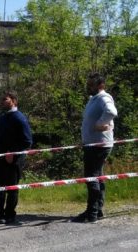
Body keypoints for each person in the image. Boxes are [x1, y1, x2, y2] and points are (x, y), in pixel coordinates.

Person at [72, 73, 117, 223]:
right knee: (98, 176)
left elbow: (111, 112)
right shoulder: (93, 99)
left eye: (91, 84)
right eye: (88, 84)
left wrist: (100, 123)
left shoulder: (104, 97)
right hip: (92, 143)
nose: (88, 87)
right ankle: (97, 210)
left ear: (100, 85)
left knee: (91, 177)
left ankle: (91, 213)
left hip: (99, 145)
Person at [0, 91, 32, 224]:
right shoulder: (3, 117)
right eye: (2, 99)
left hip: (13, 160)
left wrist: (13, 153)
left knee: (11, 187)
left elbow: (27, 141)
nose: (2, 102)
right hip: (0, 158)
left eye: (6, 99)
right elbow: (1, 138)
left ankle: (10, 214)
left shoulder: (20, 118)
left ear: (14, 101)